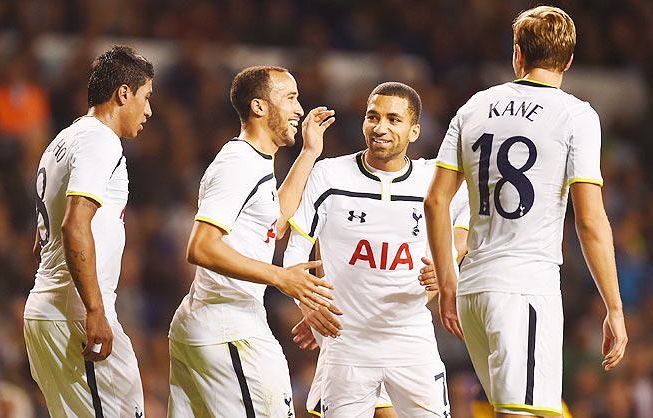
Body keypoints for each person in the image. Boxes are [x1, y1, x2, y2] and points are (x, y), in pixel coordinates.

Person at [424, 6, 628, 417]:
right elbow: (588, 220)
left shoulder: (475, 107)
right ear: (569, 60)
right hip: (524, 289)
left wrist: (448, 283)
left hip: (473, 291)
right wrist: (615, 308)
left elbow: (436, 201)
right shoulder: (576, 115)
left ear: (517, 53)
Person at [284, 81, 468, 418]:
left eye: (393, 120)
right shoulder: (329, 176)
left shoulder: (432, 180)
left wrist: (450, 261)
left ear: (414, 131)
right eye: (373, 117)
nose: (380, 127)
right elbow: (295, 255)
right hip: (347, 341)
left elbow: (469, 217)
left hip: (410, 337)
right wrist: (308, 305)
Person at [167, 65, 337, 418]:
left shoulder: (255, 162)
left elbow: (272, 224)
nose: (299, 109)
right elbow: (200, 246)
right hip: (229, 328)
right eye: (290, 98)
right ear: (259, 107)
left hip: (212, 324)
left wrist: (308, 154)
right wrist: (281, 276)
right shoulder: (238, 163)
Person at [23, 45, 154, 418]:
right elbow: (74, 224)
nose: (148, 111)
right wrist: (95, 308)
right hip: (75, 313)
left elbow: (40, 242)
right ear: (123, 93)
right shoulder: (100, 139)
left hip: (48, 310)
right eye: (145, 98)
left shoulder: (60, 142)